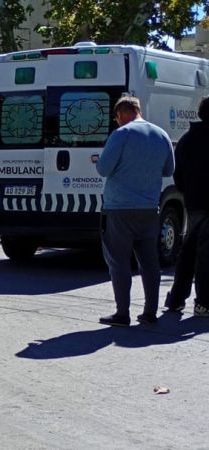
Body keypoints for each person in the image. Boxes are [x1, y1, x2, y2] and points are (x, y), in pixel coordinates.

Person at [96, 96, 175, 326]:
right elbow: (169, 169)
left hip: (119, 210)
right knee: (150, 263)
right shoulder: (161, 135)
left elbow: (103, 169)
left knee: (119, 263)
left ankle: (122, 313)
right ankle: (150, 312)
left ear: (120, 114)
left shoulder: (121, 134)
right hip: (150, 209)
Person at [164, 96, 209, 316]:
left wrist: (189, 190)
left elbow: (177, 174)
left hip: (194, 203)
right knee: (206, 254)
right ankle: (204, 302)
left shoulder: (186, 140)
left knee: (188, 251)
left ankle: (176, 299)